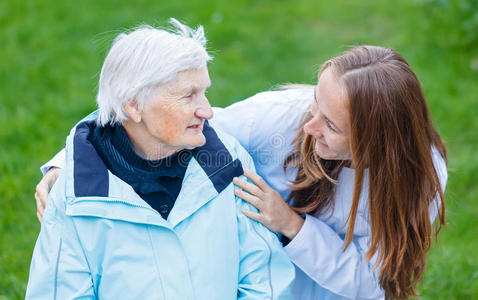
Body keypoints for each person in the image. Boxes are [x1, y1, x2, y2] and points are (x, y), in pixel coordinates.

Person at [37, 46, 448, 299]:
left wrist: (292, 224)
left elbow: (373, 283)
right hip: (273, 284)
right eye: (314, 104)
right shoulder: (281, 119)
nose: (309, 126)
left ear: (378, 141)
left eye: (332, 125)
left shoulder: (420, 181)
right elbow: (158, 121)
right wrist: (67, 162)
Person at [26, 19, 295, 300]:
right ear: (133, 104)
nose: (207, 110)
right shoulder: (72, 198)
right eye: (189, 96)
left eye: (204, 92)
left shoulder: (230, 163)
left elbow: (266, 281)